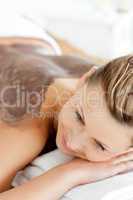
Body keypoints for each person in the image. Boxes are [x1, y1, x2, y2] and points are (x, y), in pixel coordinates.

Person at [0, 42, 133, 200]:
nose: (72, 144)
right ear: (85, 79)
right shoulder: (27, 129)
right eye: (79, 116)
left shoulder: (115, 86)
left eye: (100, 145)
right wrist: (70, 174)